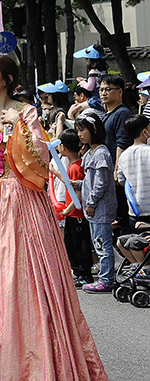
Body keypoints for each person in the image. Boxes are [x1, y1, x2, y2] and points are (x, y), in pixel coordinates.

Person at [0, 54, 112, 381]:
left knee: (25, 282)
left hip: (20, 203)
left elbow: (40, 163)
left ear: (6, 78)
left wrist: (19, 127)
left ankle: (36, 374)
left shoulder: (26, 112)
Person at [78, 113, 116, 293]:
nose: (79, 134)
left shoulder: (101, 152)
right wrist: (78, 184)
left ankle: (106, 279)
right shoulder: (91, 151)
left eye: (82, 130)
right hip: (93, 209)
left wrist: (91, 202)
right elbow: (91, 180)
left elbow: (101, 183)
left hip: (99, 209)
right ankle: (105, 277)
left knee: (102, 244)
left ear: (94, 130)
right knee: (99, 243)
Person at [52, 129, 94, 285]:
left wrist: (67, 210)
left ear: (63, 147)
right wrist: (55, 173)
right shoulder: (73, 166)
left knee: (79, 245)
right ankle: (77, 271)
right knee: (71, 243)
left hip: (77, 214)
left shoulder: (76, 167)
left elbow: (78, 194)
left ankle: (84, 273)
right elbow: (69, 184)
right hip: (72, 214)